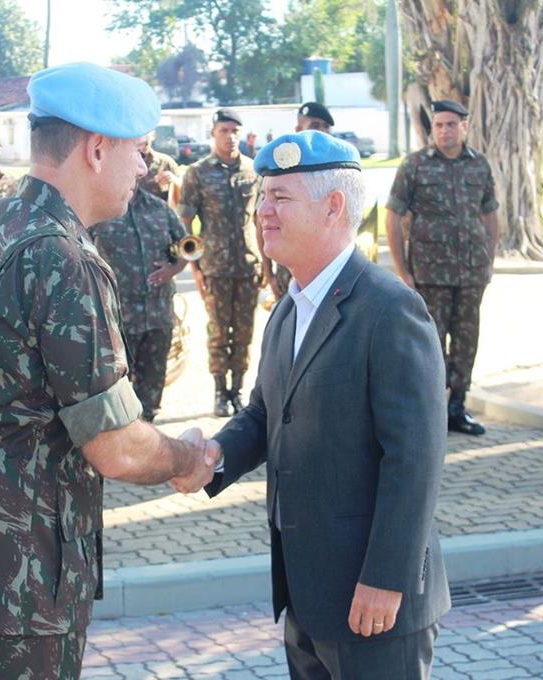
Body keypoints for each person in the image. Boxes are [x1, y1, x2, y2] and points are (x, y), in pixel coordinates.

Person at [0, 62, 218, 679]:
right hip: (19, 578)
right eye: (139, 152)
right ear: (97, 149)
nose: (145, 169)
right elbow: (116, 447)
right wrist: (185, 459)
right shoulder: (62, 258)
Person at [184, 130, 450, 679]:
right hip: (307, 595)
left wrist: (387, 578)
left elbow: (415, 459)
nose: (263, 212)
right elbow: (265, 413)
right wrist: (210, 455)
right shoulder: (290, 307)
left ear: (333, 207)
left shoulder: (390, 309)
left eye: (281, 197)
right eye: (263, 197)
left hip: (374, 600)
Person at [385, 99, 499, 436]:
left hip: (470, 273)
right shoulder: (415, 165)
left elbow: (490, 214)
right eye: (439, 125)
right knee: (429, 343)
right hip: (429, 275)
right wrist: (402, 271)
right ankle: (427, 410)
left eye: (451, 124)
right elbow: (393, 218)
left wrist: (489, 260)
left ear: (465, 126)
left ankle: (456, 407)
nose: (445, 131)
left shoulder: (479, 165)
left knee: (466, 341)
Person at [177, 108, 261, 417]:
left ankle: (237, 391)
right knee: (217, 333)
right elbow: (184, 223)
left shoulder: (253, 171)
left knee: (244, 333)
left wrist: (266, 261)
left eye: (236, 130)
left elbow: (262, 220)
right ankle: (218, 392)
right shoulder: (197, 173)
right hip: (215, 268)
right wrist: (194, 266)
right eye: (224, 130)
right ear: (213, 133)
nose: (231, 136)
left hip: (249, 266)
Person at [91, 187, 188, 422]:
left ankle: (147, 441)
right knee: (115, 395)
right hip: (116, 320)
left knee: (151, 394)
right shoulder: (99, 207)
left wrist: (173, 268)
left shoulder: (159, 209)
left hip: (158, 315)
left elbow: (186, 246)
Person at [259, 102, 337, 303]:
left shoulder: (341, 173)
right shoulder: (281, 174)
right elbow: (263, 225)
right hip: (290, 275)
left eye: (325, 127)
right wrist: (269, 274)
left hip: (332, 272)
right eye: (314, 126)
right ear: (298, 130)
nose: (321, 132)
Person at [137, 131, 181, 205]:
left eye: (146, 132)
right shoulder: (122, 163)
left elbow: (184, 197)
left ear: (153, 135)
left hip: (158, 214)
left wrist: (174, 182)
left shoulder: (166, 162)